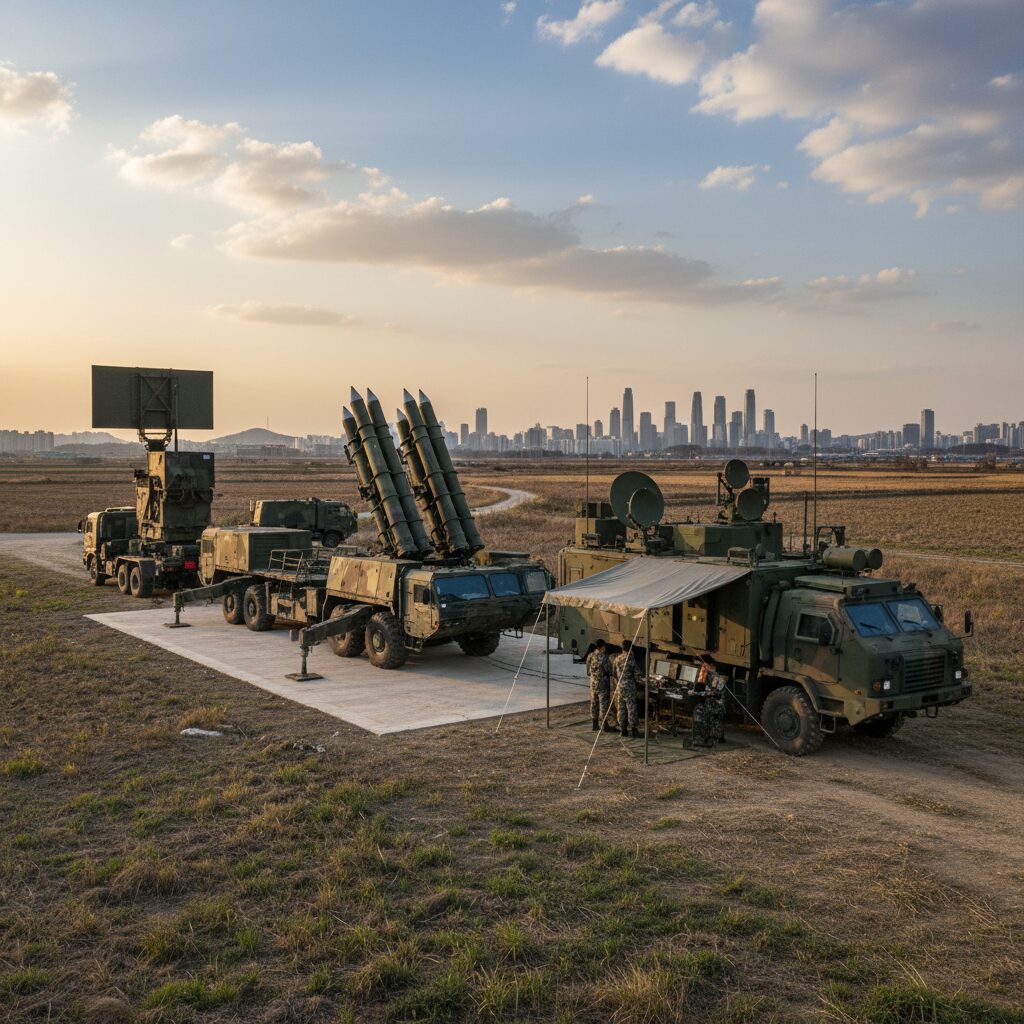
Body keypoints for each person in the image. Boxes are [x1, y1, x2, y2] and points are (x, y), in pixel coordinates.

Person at [613, 640, 640, 738]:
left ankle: (623, 730)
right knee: (631, 708)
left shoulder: (617, 659)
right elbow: (637, 675)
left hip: (620, 687)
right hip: (629, 688)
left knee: (621, 708)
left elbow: (614, 674)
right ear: (630, 648)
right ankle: (634, 730)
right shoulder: (631, 659)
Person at [586, 639, 612, 731]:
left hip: (593, 684)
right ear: (602, 647)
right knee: (603, 704)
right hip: (603, 685)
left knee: (594, 703)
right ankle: (605, 725)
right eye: (604, 646)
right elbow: (609, 670)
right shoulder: (604, 657)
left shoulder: (590, 656)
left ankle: (595, 724)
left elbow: (588, 671)